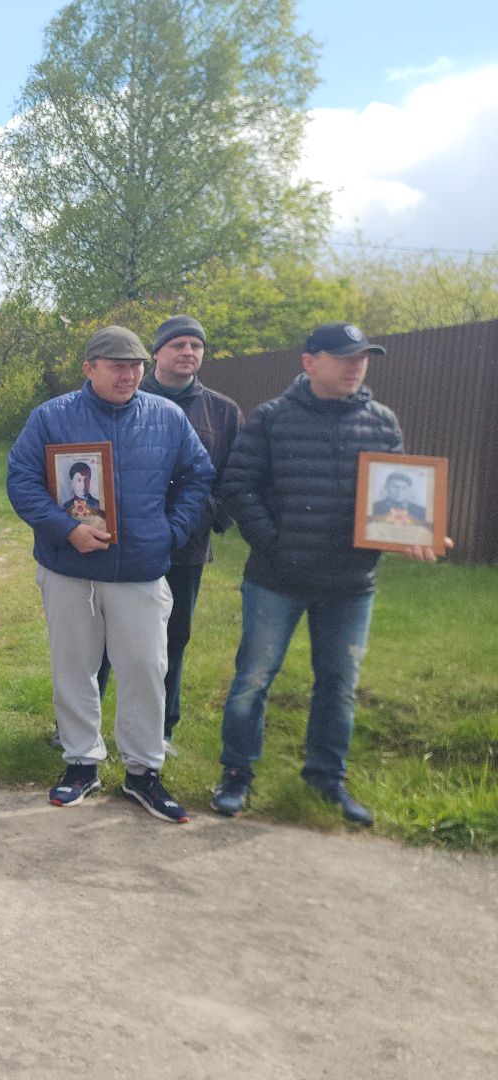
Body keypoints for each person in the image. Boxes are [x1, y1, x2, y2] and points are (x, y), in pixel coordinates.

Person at [211, 323, 449, 826]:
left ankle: (325, 779)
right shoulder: (272, 419)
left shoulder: (382, 422)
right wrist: (275, 543)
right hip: (276, 578)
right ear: (309, 362)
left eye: (362, 356)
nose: (355, 365)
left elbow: (393, 502)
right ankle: (236, 774)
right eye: (344, 356)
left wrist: (417, 535)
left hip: (350, 585)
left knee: (338, 684)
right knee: (253, 680)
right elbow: (238, 484)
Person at [7, 326, 213, 823]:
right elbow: (21, 479)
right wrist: (64, 529)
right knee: (74, 666)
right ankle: (81, 762)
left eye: (136, 365)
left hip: (141, 568)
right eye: (117, 364)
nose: (129, 374)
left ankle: (143, 771)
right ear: (89, 368)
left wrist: (172, 531)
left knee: (144, 668)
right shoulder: (52, 417)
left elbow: (198, 475)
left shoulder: (166, 417)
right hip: (70, 569)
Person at [91, 315, 243, 749]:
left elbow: (233, 477)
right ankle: (84, 724)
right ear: (155, 353)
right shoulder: (126, 397)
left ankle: (160, 730)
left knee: (172, 638)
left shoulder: (223, 411)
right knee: (102, 637)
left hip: (185, 546)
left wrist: (201, 517)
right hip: (123, 542)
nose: (188, 353)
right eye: (178, 344)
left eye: (196, 345)